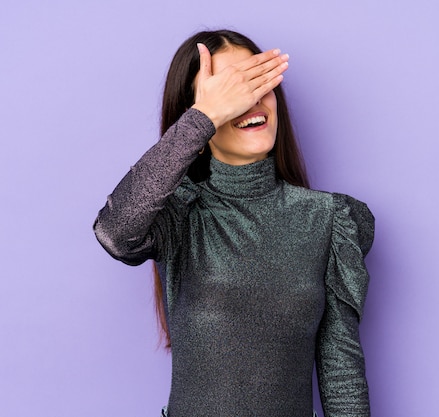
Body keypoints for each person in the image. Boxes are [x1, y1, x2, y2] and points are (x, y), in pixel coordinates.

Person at [94, 29, 374, 417]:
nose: (250, 101)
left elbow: (340, 370)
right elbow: (115, 232)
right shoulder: (181, 215)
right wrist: (203, 117)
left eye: (257, 83)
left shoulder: (328, 220)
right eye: (229, 91)